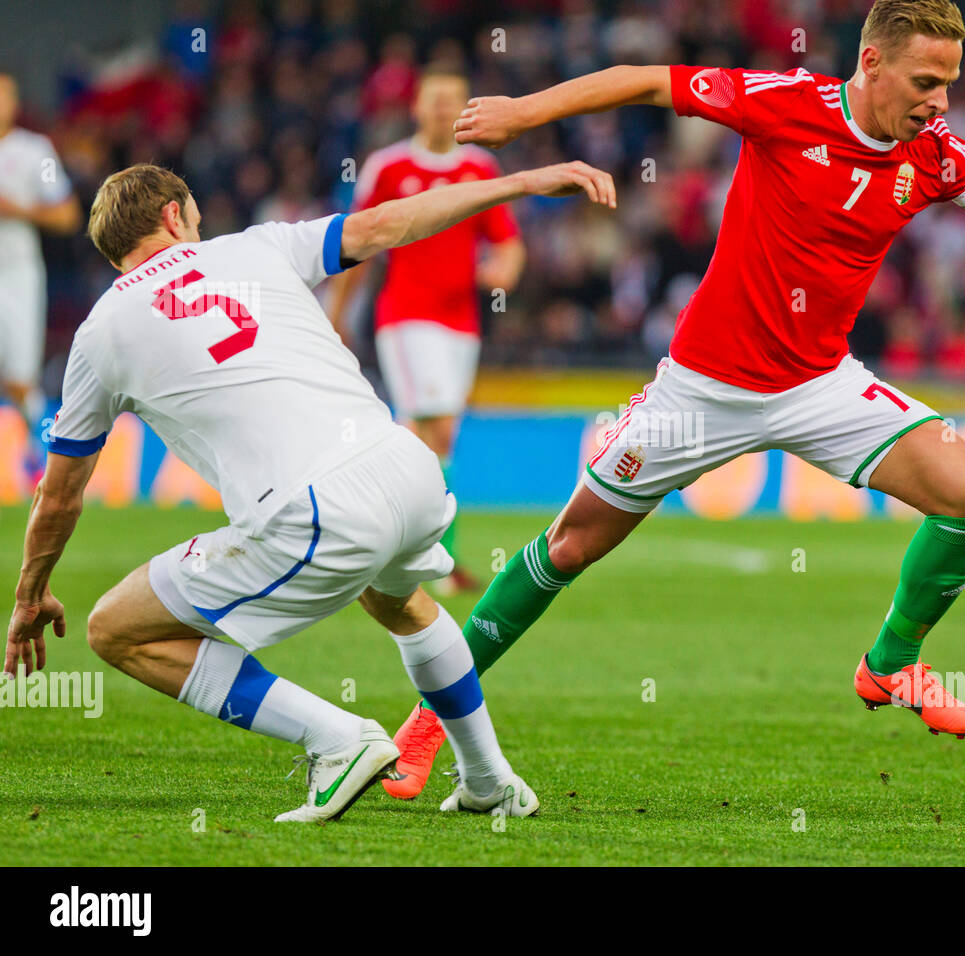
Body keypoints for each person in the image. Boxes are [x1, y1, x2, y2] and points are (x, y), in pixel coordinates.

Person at [383, 0, 965, 796]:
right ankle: (430, 721)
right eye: (926, 81)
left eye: (949, 83)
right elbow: (647, 82)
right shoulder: (784, 103)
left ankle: (890, 663)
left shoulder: (937, 156)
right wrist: (523, 113)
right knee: (568, 548)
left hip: (821, 383)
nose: (940, 101)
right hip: (703, 388)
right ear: (872, 63)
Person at [4, 158, 616, 822]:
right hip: (407, 470)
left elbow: (60, 494)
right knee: (400, 604)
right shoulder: (257, 246)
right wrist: (519, 183)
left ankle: (337, 740)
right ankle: (488, 778)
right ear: (173, 216)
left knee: (114, 629)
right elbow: (387, 224)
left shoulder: (100, 333)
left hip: (318, 510)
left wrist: (31, 592)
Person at [328, 64, 525, 596]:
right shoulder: (388, 167)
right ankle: (441, 560)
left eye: (455, 100)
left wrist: (506, 268)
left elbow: (506, 239)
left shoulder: (481, 165)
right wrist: (337, 313)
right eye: (435, 99)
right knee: (432, 432)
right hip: (406, 316)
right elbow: (357, 242)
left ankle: (390, 549)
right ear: (416, 107)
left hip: (461, 321)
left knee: (431, 437)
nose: (444, 109)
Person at [0, 72, 83, 484]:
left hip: (15, 274)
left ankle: (42, 459)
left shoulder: (36, 153)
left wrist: (16, 209)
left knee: (19, 376)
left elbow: (66, 212)